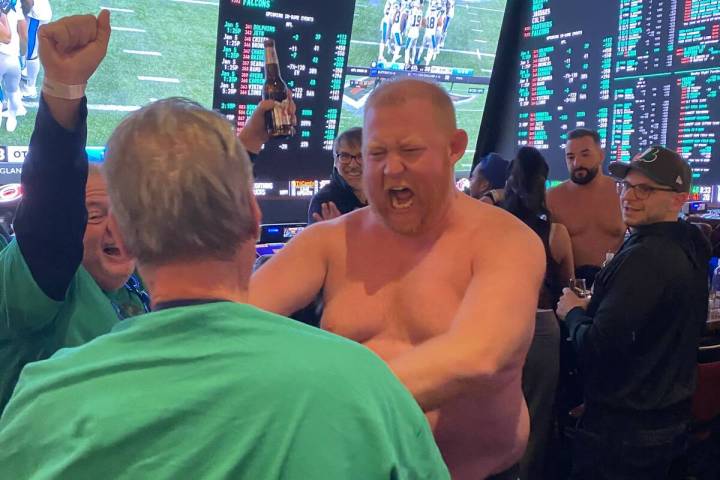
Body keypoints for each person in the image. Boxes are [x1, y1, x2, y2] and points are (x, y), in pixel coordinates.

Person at [0, 13, 450, 479]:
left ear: (132, 232)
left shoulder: (45, 401)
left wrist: (65, 90)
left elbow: (176, 198)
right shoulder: (368, 388)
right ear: (255, 222)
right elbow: (49, 233)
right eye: (89, 215)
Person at [251, 78, 545, 480]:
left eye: (410, 150)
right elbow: (232, 318)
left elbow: (479, 355)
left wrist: (325, 408)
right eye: (376, 153)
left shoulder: (506, 241)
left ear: (454, 148)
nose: (391, 168)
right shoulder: (330, 240)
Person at [0, 9, 285, 414]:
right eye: (93, 215)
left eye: (126, 212)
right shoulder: (36, 292)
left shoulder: (142, 278)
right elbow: (52, 221)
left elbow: (190, 203)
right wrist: (64, 88)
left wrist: (248, 144)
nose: (118, 228)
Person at [556, 146, 710, 479]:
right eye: (626, 185)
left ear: (678, 199)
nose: (629, 196)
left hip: (625, 437)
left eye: (646, 189)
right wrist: (596, 307)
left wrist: (572, 313)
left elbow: (598, 347)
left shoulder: (647, 256)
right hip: (664, 422)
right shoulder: (691, 243)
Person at [502, 146, 574, 480]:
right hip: (543, 324)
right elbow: (568, 283)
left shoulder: (494, 226)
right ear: (543, 183)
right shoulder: (555, 232)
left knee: (497, 409)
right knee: (537, 411)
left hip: (499, 323)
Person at [547, 128, 625, 287]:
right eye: (570, 157)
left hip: (614, 285)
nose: (577, 163)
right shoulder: (551, 197)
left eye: (585, 154)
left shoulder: (623, 193)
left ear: (601, 156)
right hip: (570, 288)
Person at [308, 127, 367, 223]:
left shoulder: (386, 195)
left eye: (361, 156)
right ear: (335, 161)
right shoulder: (325, 201)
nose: (353, 165)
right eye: (344, 156)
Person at [20, 0, 51, 100]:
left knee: (31, 52)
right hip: (35, 12)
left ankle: (30, 88)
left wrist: (22, 15)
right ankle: (25, 72)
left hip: (35, 16)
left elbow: (29, 3)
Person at [0, 0, 24, 132]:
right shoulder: (14, 7)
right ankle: (12, 116)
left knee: (11, 93)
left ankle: (12, 116)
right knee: (12, 93)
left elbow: (7, 38)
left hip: (8, 57)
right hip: (11, 57)